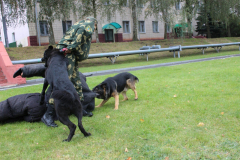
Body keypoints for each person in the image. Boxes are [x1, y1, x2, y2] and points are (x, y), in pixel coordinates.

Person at [41, 17, 98, 127]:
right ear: (94, 24)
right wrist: (72, 47)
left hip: (70, 54)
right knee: (62, 84)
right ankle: (48, 114)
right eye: (95, 27)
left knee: (76, 81)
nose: (94, 29)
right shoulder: (88, 25)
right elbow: (82, 33)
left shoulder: (77, 24)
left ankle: (81, 109)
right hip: (68, 53)